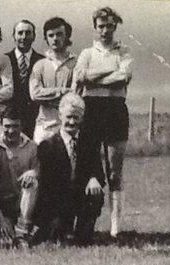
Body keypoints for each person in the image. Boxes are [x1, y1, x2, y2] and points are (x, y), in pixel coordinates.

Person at [73, 7, 133, 237]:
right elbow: (79, 77)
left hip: (116, 110)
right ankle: (86, 222)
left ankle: (115, 228)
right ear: (95, 27)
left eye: (110, 26)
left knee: (114, 172)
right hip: (91, 109)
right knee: (88, 165)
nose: (105, 30)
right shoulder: (87, 52)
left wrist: (94, 76)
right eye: (101, 26)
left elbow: (123, 77)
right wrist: (109, 73)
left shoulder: (124, 51)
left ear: (115, 26)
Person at [35, 93, 105, 245]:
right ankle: (57, 228)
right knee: (58, 236)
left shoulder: (89, 144)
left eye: (76, 117)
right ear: (60, 116)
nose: (72, 122)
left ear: (82, 118)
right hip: (56, 202)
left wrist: (93, 178)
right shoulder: (48, 146)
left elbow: (100, 173)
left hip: (80, 197)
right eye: (68, 117)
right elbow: (46, 186)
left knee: (96, 192)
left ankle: (83, 232)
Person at [0, 107, 38, 249]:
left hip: (24, 207)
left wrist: (34, 172)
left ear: (22, 126)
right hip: (2, 207)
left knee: (32, 181)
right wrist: (1, 219)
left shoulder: (32, 147)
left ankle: (22, 232)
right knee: (5, 242)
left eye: (16, 126)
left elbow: (39, 174)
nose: (11, 131)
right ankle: (7, 232)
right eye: (7, 126)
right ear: (1, 125)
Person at [29, 17, 77, 144]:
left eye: (59, 34)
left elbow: (74, 96)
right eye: (51, 35)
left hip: (69, 125)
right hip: (44, 125)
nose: (55, 38)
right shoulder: (40, 65)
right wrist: (62, 91)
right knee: (41, 160)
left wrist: (47, 96)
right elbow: (35, 94)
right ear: (46, 38)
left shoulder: (76, 64)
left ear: (67, 36)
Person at [5, 20, 45, 139]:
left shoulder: (42, 61)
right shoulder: (4, 59)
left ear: (34, 36)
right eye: (20, 33)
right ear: (14, 36)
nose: (24, 37)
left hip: (34, 117)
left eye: (28, 33)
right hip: (11, 119)